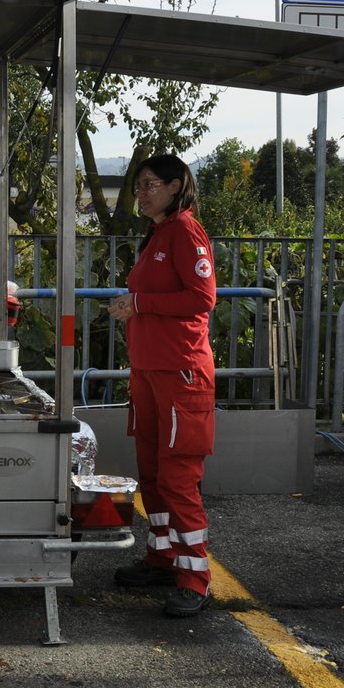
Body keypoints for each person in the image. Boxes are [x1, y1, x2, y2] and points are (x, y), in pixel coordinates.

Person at [106, 154, 217, 618]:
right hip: (150, 375)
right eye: (139, 185)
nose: (142, 193)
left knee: (177, 478)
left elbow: (202, 298)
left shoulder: (186, 232)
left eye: (151, 184)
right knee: (151, 473)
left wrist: (139, 303)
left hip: (181, 375)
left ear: (176, 186)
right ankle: (163, 557)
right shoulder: (158, 235)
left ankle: (195, 577)